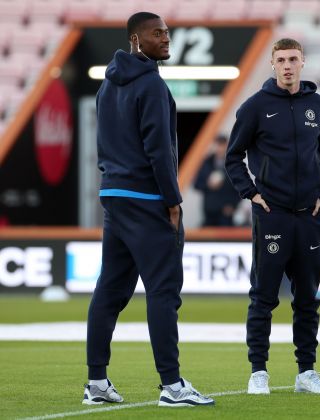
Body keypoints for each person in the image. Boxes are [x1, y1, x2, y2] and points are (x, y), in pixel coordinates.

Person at [84, 12, 213, 407]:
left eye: (167, 33)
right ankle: (172, 386)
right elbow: (160, 150)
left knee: (111, 288)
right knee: (162, 291)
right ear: (136, 41)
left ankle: (97, 383)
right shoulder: (152, 85)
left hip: (115, 195)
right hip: (147, 200)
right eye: (157, 34)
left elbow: (105, 143)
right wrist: (172, 200)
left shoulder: (107, 85)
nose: (166, 39)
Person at [225, 38, 320, 395]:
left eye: (293, 59)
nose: (287, 66)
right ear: (272, 65)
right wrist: (252, 193)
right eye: (281, 60)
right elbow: (233, 157)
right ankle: (258, 371)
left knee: (308, 298)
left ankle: (307, 372)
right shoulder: (256, 106)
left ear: (303, 62)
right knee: (263, 297)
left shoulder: (317, 106)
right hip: (271, 216)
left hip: (308, 217)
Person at [194, 134, 242, 226]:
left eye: (222, 145)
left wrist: (233, 205)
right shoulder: (206, 163)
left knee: (225, 239)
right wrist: (208, 184)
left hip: (226, 213)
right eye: (218, 145)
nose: (220, 148)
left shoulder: (233, 164)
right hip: (209, 212)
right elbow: (197, 184)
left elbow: (240, 187)